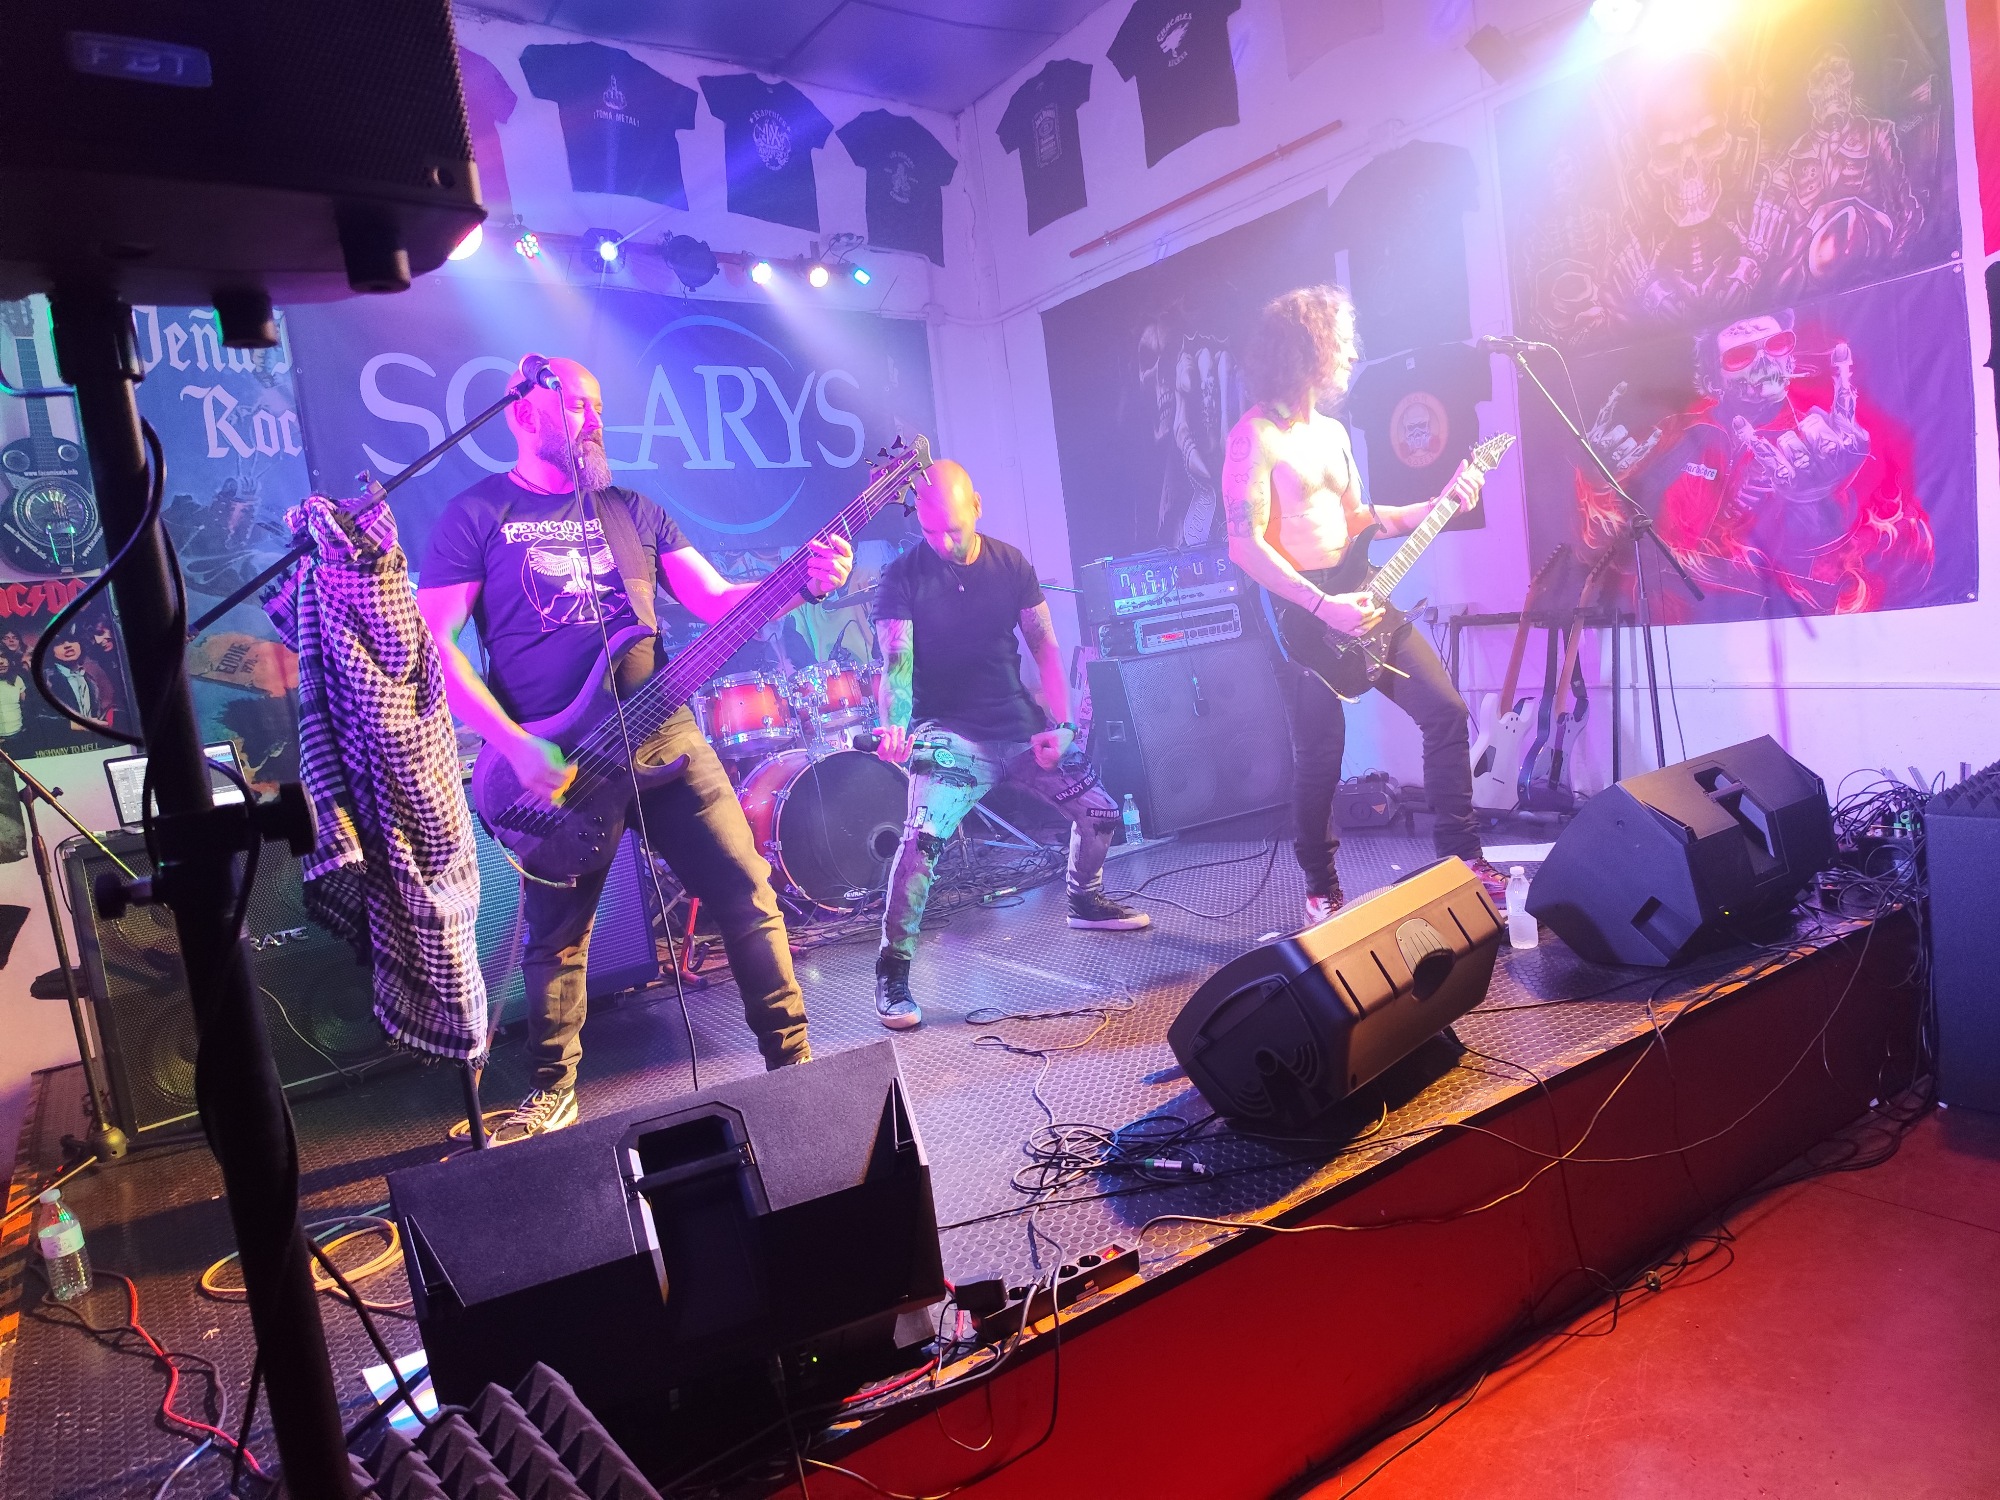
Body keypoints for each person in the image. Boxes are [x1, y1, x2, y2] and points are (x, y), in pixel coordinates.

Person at [417, 354, 852, 1143]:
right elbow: (437, 646)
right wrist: (514, 746)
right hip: (556, 756)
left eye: (597, 406)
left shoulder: (635, 511)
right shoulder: (477, 513)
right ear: (522, 409)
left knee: (746, 892)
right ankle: (552, 1090)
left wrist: (801, 583)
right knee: (558, 937)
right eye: (575, 404)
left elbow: (716, 600)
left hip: (663, 729)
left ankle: (792, 1061)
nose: (593, 419)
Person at [1219, 286, 1505, 924]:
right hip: (1300, 612)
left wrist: (1436, 504)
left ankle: (1464, 859)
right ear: (1309, 347)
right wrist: (1324, 606)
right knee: (1322, 753)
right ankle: (1321, 886)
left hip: (1361, 590)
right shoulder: (1252, 438)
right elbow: (1243, 545)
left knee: (1446, 711)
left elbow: (1358, 518)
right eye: (1343, 343)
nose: (1351, 355)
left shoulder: (1333, 432)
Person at [870, 460, 1147, 1029]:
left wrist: (1062, 724)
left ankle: (1084, 900)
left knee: (1100, 812)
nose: (943, 542)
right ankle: (893, 969)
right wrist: (895, 725)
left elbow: (1045, 647)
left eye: (953, 528)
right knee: (922, 839)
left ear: (976, 507)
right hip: (948, 732)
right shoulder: (902, 576)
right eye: (930, 531)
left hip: (1019, 729)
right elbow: (896, 666)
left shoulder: (1010, 564)